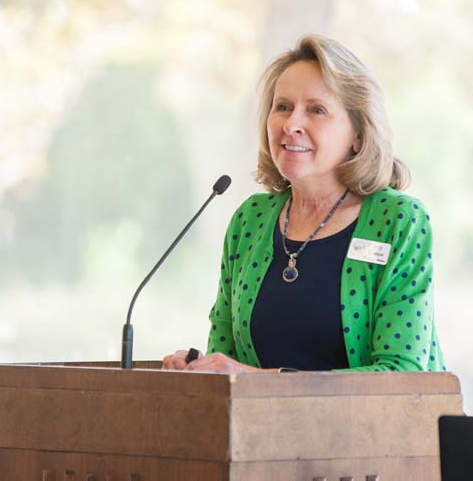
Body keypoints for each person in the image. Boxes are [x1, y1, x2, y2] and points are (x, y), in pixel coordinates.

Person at [163, 34, 445, 374]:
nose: (292, 124)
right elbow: (226, 363)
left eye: (316, 110)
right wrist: (196, 370)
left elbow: (402, 375)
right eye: (282, 107)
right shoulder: (250, 220)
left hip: (373, 428)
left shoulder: (398, 221)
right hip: (260, 429)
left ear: (358, 134)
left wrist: (258, 380)